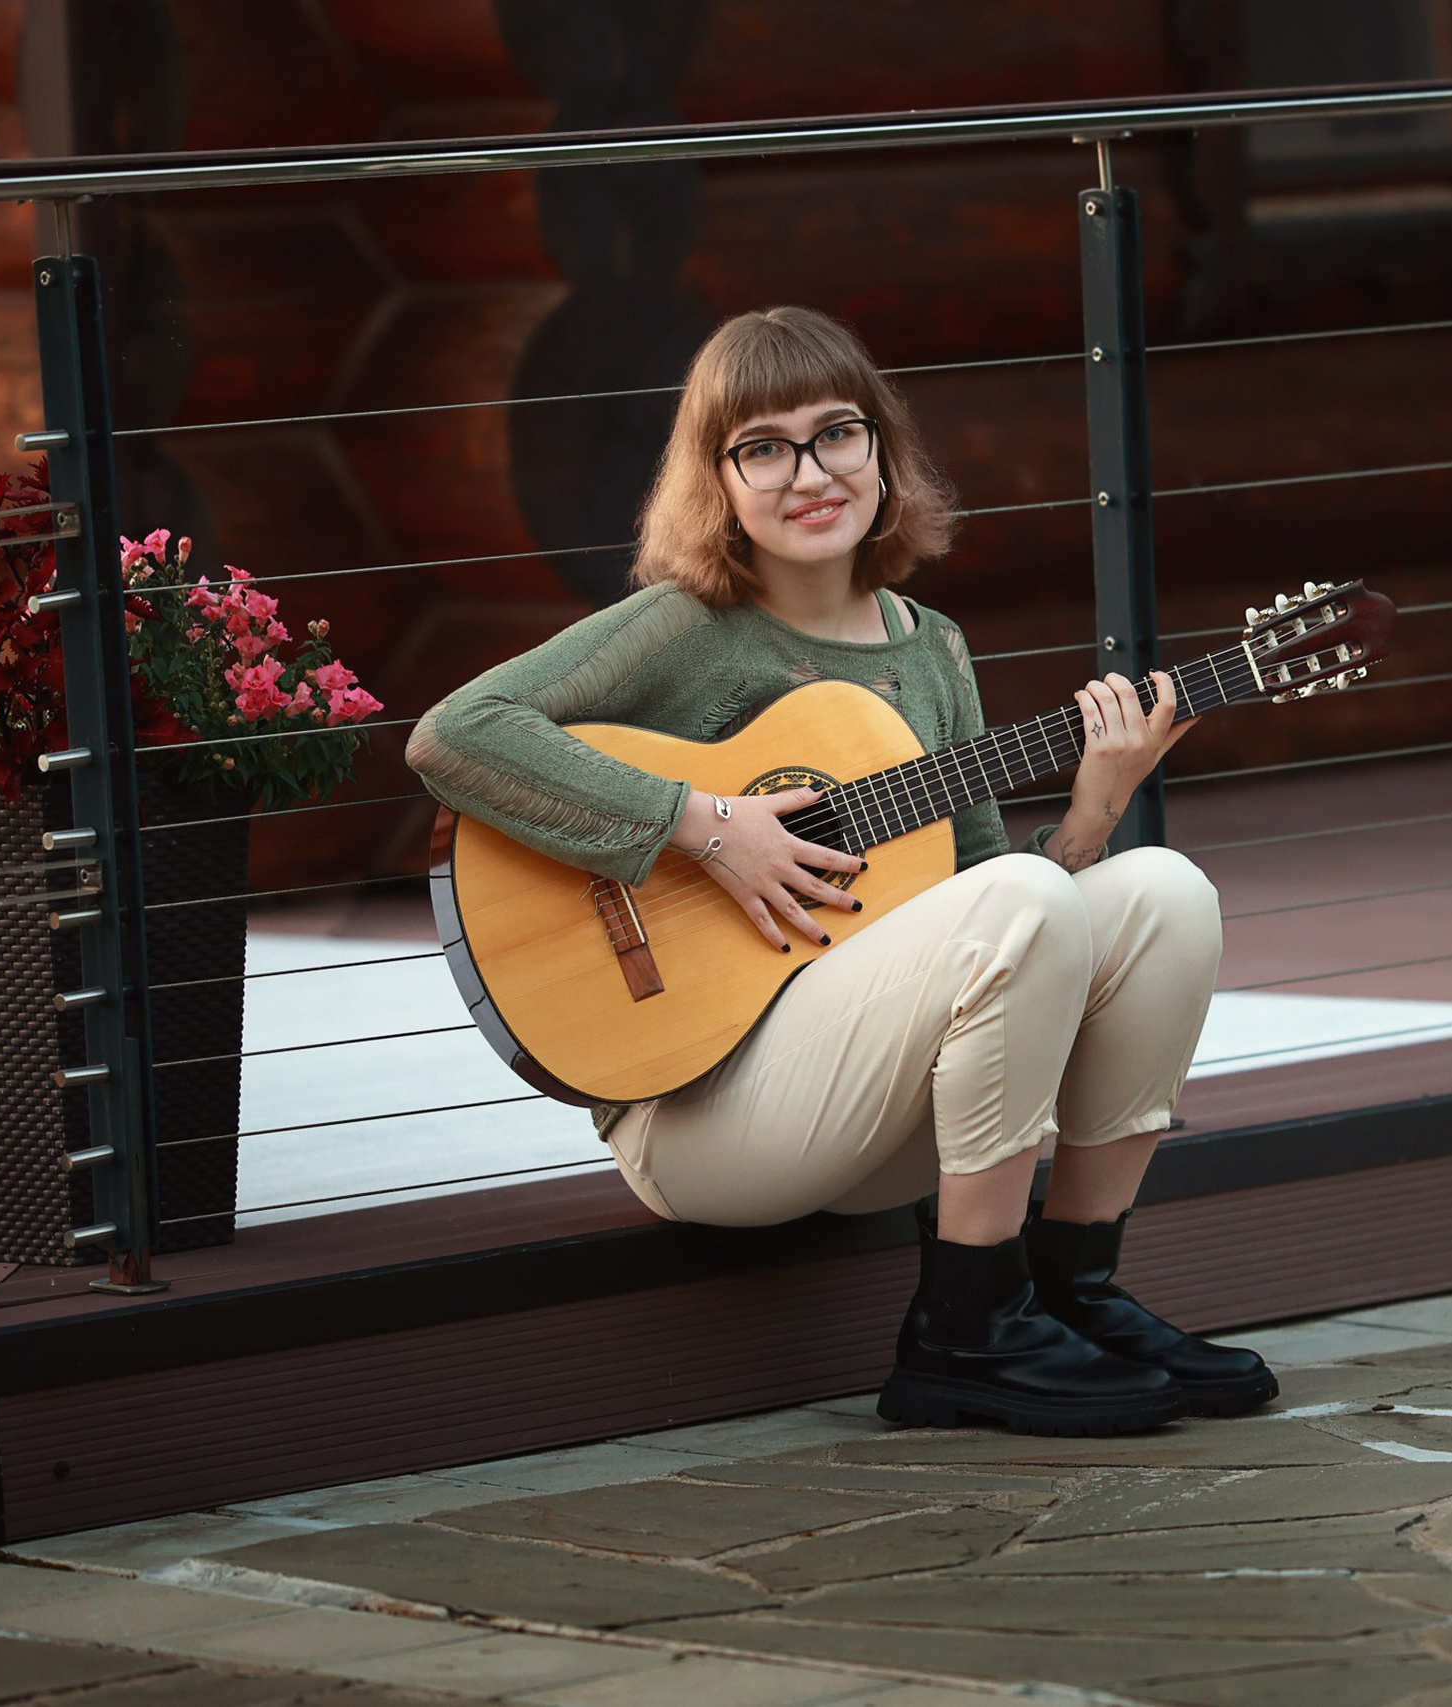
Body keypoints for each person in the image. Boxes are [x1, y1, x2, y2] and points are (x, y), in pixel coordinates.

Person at [407, 305, 1274, 1436]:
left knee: (1162, 894)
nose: (808, 473)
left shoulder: (931, 646)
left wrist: (1092, 813)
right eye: (762, 448)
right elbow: (454, 735)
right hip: (704, 1117)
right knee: (1023, 901)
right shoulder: (686, 627)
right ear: (714, 478)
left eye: (836, 434)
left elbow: (987, 910)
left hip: (872, 1112)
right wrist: (704, 824)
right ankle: (964, 1334)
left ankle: (1067, 1293)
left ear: (881, 448)